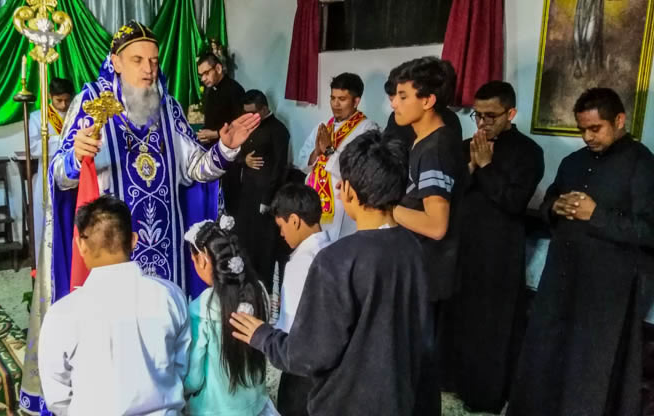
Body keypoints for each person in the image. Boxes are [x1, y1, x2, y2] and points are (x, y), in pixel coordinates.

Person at [47, 21, 260, 298]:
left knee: (166, 310)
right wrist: (77, 158)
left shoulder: (169, 108)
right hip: (111, 245)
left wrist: (225, 149)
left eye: (154, 61)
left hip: (168, 245)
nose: (148, 69)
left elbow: (196, 170)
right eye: (137, 60)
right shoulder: (92, 103)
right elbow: (60, 177)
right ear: (116, 62)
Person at [230, 131, 433, 415]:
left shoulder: (337, 260)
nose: (337, 188)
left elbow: (310, 355)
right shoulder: (411, 247)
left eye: (341, 182)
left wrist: (263, 336)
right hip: (399, 397)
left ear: (349, 191)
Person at [507, 88, 654, 416]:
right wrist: (555, 206)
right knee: (546, 350)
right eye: (582, 129)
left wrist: (595, 215)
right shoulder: (574, 162)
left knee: (590, 365)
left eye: (595, 128)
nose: (587, 137)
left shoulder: (645, 168)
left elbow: (651, 233)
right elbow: (549, 200)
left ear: (619, 120)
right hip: (562, 275)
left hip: (606, 289)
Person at [38, 195, 190, 415]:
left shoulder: (62, 314)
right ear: (134, 240)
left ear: (81, 245)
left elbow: (57, 397)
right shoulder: (170, 296)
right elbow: (181, 367)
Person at [449, 81, 544, 413]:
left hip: (498, 254)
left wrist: (487, 167)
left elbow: (514, 201)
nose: (482, 123)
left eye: (491, 116)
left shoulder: (528, 152)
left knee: (491, 328)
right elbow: (448, 195)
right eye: (477, 115)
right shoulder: (465, 147)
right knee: (457, 319)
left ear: (511, 113)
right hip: (461, 249)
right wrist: (470, 167)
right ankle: (451, 383)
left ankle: (483, 395)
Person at [387, 57, 462, 415]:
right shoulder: (426, 141)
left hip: (427, 271)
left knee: (418, 364)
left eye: (403, 96)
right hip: (419, 268)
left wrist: (387, 209)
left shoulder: (434, 148)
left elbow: (436, 224)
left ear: (428, 100)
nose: (394, 103)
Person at [183, 217, 278, 416]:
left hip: (214, 410)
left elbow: (194, 380)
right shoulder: (258, 292)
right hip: (256, 405)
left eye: (194, 260)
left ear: (203, 260)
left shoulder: (201, 308)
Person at [269, 183, 331, 416]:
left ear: (294, 220)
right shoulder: (334, 250)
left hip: (301, 371)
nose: (282, 234)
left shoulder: (301, 263)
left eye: (281, 226)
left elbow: (291, 327)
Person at [296, 73, 380, 242]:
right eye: (332, 98)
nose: (335, 104)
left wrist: (329, 151)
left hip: (342, 205)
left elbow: (361, 171)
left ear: (356, 101)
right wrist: (316, 153)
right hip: (314, 201)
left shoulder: (367, 129)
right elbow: (301, 162)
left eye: (342, 99)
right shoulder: (323, 127)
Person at [224, 90, 291, 291]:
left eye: (252, 113)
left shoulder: (278, 130)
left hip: (266, 199)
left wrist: (268, 199)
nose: (248, 118)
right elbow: (234, 152)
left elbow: (280, 167)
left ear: (263, 109)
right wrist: (243, 160)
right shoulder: (245, 128)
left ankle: (263, 290)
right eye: (245, 113)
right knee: (245, 242)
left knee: (264, 246)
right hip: (246, 195)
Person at [28, 77, 74, 264]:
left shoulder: (75, 115)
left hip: (72, 176)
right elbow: (34, 147)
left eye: (67, 100)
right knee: (47, 218)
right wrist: (62, 141)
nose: (63, 105)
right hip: (48, 175)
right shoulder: (37, 117)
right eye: (59, 100)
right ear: (49, 96)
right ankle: (45, 264)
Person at [196, 52, 246, 145]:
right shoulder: (211, 90)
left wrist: (216, 134)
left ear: (218, 68)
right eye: (201, 75)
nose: (203, 79)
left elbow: (241, 123)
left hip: (229, 147)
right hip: (212, 146)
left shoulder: (235, 90)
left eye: (206, 73)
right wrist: (204, 135)